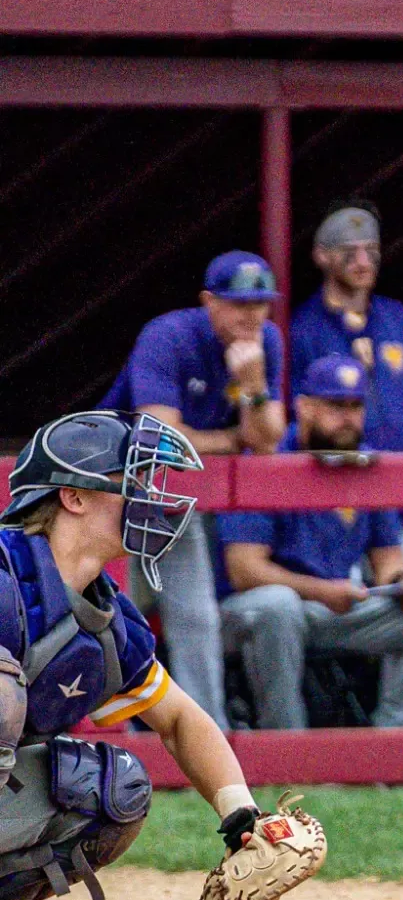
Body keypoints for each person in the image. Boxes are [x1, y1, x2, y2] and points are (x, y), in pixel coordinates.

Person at [0, 410, 272, 900]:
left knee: (112, 790)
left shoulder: (108, 627)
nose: (149, 497)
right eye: (133, 482)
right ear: (75, 497)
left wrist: (244, 820)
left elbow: (180, 720)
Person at [214, 357, 403, 730]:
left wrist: (402, 580)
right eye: (336, 406)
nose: (348, 417)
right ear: (305, 407)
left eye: (356, 406)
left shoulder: (364, 461)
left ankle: (390, 743)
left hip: (339, 605)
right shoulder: (269, 456)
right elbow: (244, 570)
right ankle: (287, 747)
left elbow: (388, 558)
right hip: (260, 610)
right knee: (278, 605)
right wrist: (322, 591)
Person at [101, 250, 288, 726]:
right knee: (95, 612)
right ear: (209, 301)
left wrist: (254, 384)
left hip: (171, 501)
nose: (252, 315)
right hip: (105, 488)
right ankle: (89, 731)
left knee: (196, 617)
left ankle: (207, 736)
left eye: (261, 303)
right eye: (238, 303)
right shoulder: (170, 334)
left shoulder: (265, 341)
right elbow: (158, 437)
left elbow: (266, 442)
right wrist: (230, 439)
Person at [288, 203, 403, 574]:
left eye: (372, 252)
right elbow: (299, 417)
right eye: (350, 253)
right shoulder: (303, 329)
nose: (363, 261)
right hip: (355, 502)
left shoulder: (398, 316)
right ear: (321, 256)